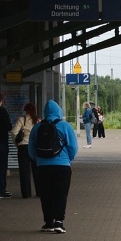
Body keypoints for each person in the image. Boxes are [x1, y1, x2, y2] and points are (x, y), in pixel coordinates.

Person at [28, 100, 77, 233]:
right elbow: (73, 146)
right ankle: (59, 222)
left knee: (46, 194)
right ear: (59, 111)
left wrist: (38, 160)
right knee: (60, 193)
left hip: (42, 167)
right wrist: (68, 159)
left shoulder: (37, 127)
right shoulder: (65, 126)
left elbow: (31, 147)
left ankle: (48, 222)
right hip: (62, 166)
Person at [11, 102, 39, 198]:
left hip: (23, 147)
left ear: (25, 110)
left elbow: (14, 132)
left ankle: (26, 193)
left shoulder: (21, 120)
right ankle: (39, 191)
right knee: (37, 170)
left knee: (24, 171)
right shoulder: (38, 121)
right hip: (34, 147)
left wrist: (17, 144)